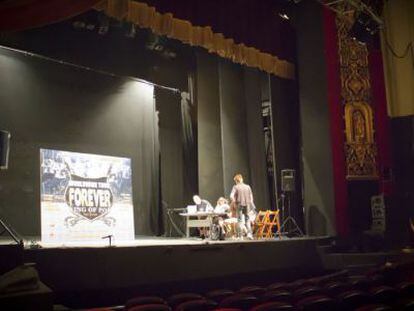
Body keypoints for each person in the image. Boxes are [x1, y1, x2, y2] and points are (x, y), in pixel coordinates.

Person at [230, 174, 254, 239]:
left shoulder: (235, 187)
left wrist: (234, 202)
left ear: (236, 181)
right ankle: (249, 234)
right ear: (242, 179)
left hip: (239, 204)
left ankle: (241, 236)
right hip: (247, 205)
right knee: (247, 219)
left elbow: (231, 196)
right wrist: (250, 204)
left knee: (240, 220)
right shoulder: (248, 186)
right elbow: (251, 197)